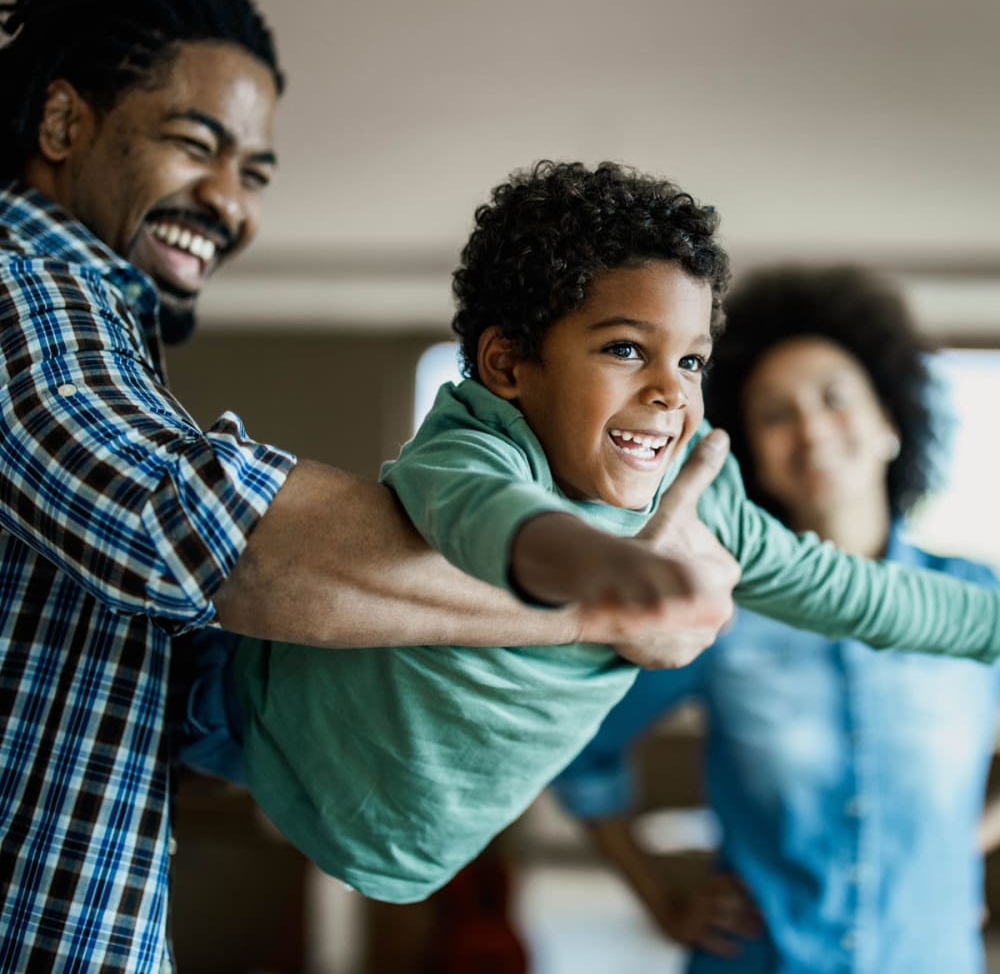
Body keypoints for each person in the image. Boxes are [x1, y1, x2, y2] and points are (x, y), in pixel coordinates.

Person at [0, 0, 740, 971]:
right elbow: (204, 535)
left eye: (255, 172)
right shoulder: (19, 284)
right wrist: (605, 600)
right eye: (196, 145)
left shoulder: (100, 332)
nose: (230, 202)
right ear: (60, 119)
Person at [215, 164, 1000, 909]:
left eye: (692, 361)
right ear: (509, 364)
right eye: (626, 348)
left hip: (407, 849)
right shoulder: (478, 443)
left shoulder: (700, 499)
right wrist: (603, 568)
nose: (668, 390)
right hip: (264, 735)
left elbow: (859, 594)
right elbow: (492, 518)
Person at [552, 264, 1000, 973]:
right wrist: (660, 898)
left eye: (834, 398)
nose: (812, 428)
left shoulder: (976, 598)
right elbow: (581, 749)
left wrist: (958, 848)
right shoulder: (718, 601)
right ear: (751, 453)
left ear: (890, 420)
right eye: (775, 412)